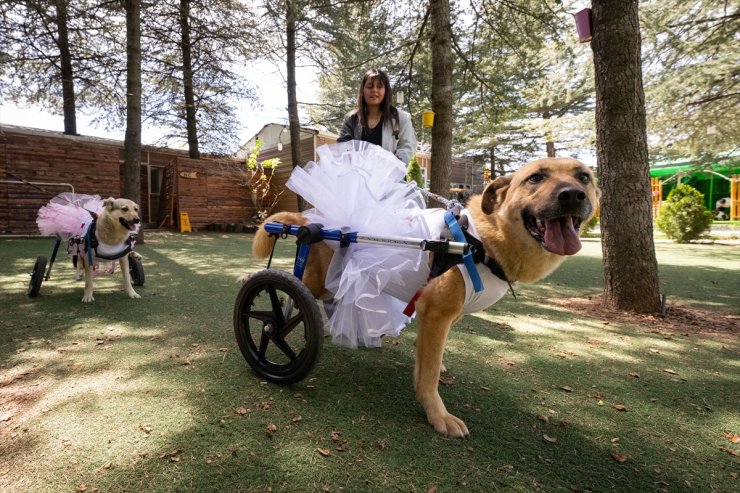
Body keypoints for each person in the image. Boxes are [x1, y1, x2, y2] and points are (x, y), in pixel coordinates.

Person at [336, 68, 417, 165]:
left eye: (379, 86)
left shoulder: (402, 118)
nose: (374, 90)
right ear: (363, 90)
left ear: (386, 91)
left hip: (391, 178)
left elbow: (407, 148)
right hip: (358, 178)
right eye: (370, 86)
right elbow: (342, 146)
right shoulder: (351, 118)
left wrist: (390, 165)